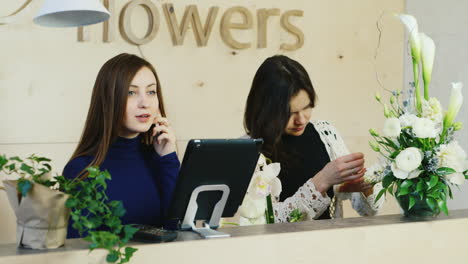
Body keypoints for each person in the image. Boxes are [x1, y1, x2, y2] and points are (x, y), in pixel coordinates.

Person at [243, 55, 383, 222]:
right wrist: (322, 181)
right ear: (267, 110)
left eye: (307, 107)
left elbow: (370, 212)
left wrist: (363, 188)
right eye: (290, 113)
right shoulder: (248, 152)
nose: (301, 119)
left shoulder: (325, 133)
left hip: (329, 245)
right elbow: (266, 221)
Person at [63, 53, 180, 237]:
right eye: (131, 92)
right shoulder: (81, 169)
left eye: (151, 92)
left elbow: (178, 232)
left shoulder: (161, 161)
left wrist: (168, 159)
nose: (145, 103)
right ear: (109, 99)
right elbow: (78, 252)